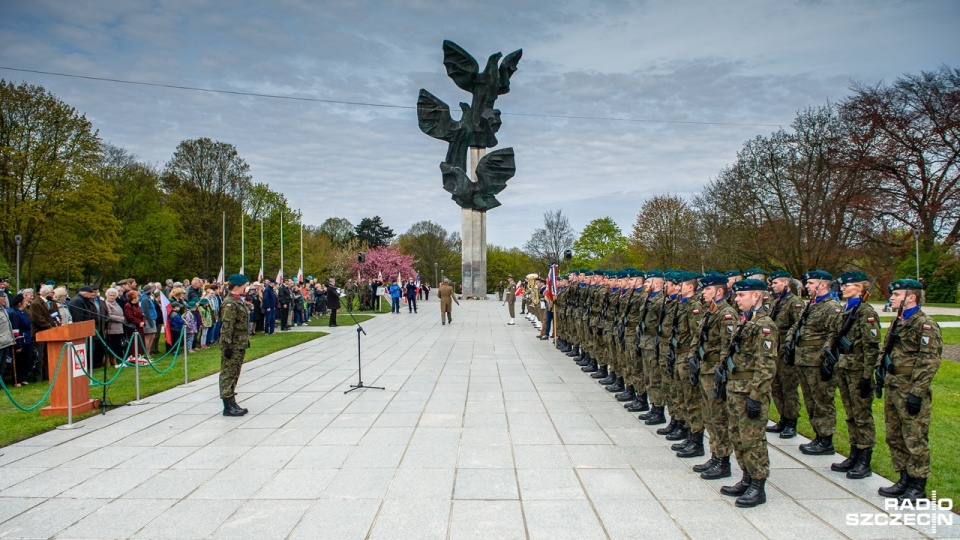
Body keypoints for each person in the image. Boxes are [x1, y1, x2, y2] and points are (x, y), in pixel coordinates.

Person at [876, 279, 942, 503]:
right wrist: (879, 372)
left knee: (914, 437)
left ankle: (917, 484)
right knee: (894, 435)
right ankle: (904, 478)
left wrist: (917, 392)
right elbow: (887, 350)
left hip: (910, 387)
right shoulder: (899, 320)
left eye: (896, 295)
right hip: (894, 384)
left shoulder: (924, 324)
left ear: (910, 297)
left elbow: (929, 361)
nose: (892, 298)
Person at [720, 278, 778, 508]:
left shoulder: (765, 326)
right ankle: (746, 477)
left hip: (749, 392)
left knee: (752, 439)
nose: (736, 299)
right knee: (737, 436)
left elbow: (767, 366)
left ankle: (758, 484)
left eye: (741, 295)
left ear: (756, 296)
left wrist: (756, 396)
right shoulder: (747, 321)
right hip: (735, 389)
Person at [786, 270, 842, 456]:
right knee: (810, 400)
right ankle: (818, 435)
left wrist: (827, 359)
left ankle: (826, 439)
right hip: (803, 359)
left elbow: (833, 334)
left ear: (822, 284)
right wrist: (789, 340)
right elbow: (798, 325)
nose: (807, 286)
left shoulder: (831, 307)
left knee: (822, 400)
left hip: (818, 361)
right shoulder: (811, 304)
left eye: (810, 283)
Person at [765, 270, 804, 439]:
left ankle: (791, 421)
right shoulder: (776, 301)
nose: (772, 286)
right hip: (774, 349)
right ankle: (782, 417)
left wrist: (791, 348)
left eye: (775, 283)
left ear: (785, 284)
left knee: (788, 387)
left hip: (786, 350)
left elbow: (798, 327)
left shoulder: (794, 303)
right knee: (776, 386)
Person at [220, 274, 252, 416]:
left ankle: (232, 401)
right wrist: (226, 346)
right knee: (228, 373)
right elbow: (227, 326)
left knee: (235, 372)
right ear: (238, 285)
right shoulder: (230, 303)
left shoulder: (237, 300)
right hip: (232, 344)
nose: (246, 287)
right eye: (245, 284)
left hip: (239, 343)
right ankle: (227, 405)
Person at [122, 290, 146, 357]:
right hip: (133, 327)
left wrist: (143, 321)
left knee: (141, 342)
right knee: (134, 342)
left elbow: (142, 315)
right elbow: (130, 317)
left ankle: (140, 355)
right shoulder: (128, 306)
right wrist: (139, 322)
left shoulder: (137, 305)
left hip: (140, 327)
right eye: (137, 296)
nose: (138, 297)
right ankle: (133, 356)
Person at [139, 285, 157, 358]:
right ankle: (146, 353)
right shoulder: (145, 299)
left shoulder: (148, 298)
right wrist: (150, 321)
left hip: (152, 319)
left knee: (152, 336)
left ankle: (148, 352)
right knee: (148, 336)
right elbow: (146, 311)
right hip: (148, 319)